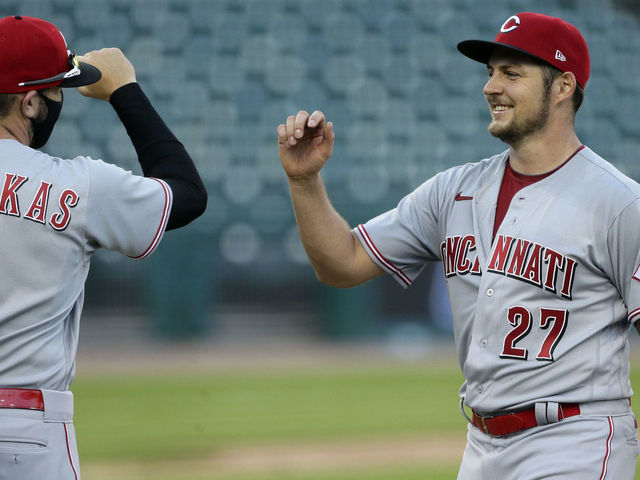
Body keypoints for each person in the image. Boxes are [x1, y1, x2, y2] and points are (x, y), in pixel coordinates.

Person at [278, 11, 640, 479]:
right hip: (481, 445)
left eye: (512, 73)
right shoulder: (454, 191)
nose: (491, 87)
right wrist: (305, 181)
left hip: (576, 441)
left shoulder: (616, 202)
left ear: (564, 86)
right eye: (490, 72)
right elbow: (342, 264)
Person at [0, 15, 206, 479]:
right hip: (26, 430)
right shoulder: (78, 185)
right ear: (30, 103)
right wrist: (124, 91)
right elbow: (187, 194)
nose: (59, 100)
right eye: (56, 91)